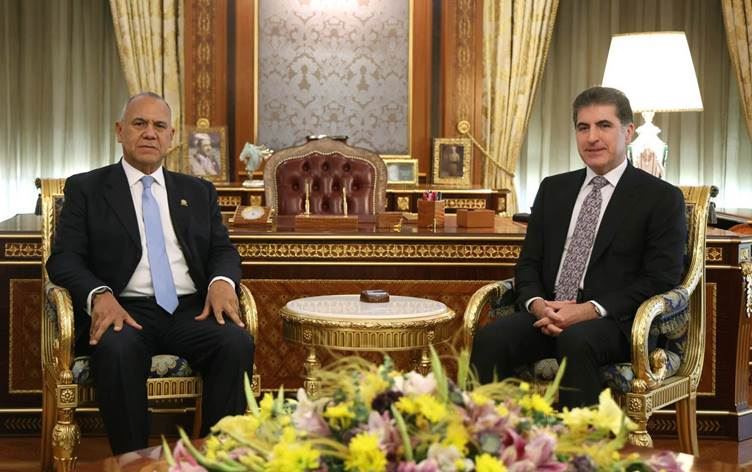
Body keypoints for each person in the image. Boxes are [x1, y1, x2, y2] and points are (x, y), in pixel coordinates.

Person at [46, 92, 254, 454]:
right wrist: (99, 295)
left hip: (190, 310)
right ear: (120, 130)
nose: (149, 133)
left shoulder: (198, 191)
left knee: (235, 342)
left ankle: (215, 457)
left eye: (159, 126)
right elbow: (64, 259)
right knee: (117, 349)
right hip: (124, 310)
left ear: (171, 136)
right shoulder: (87, 188)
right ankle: (133, 461)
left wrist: (222, 283)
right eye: (139, 123)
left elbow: (222, 250)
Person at [470, 86, 687, 408]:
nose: (592, 137)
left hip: (617, 322)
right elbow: (529, 263)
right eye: (583, 127)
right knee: (492, 338)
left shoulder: (660, 198)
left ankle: (582, 438)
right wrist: (538, 304)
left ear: (628, 132)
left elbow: (660, 278)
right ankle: (489, 431)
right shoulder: (554, 189)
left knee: (576, 339)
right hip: (549, 313)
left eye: (604, 125)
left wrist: (588, 310)